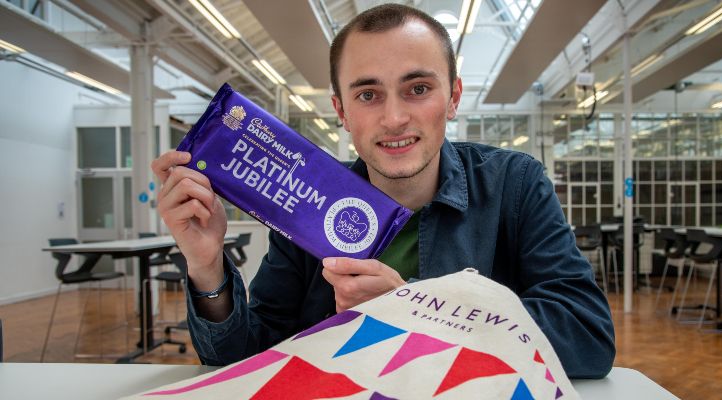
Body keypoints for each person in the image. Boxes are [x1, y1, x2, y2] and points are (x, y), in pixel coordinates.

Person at [151, 3, 615, 378]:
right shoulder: (305, 202)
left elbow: (588, 336)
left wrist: (412, 306)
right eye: (368, 95)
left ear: (453, 97)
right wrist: (207, 265)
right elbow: (246, 358)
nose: (393, 118)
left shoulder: (514, 186)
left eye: (417, 88)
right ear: (341, 110)